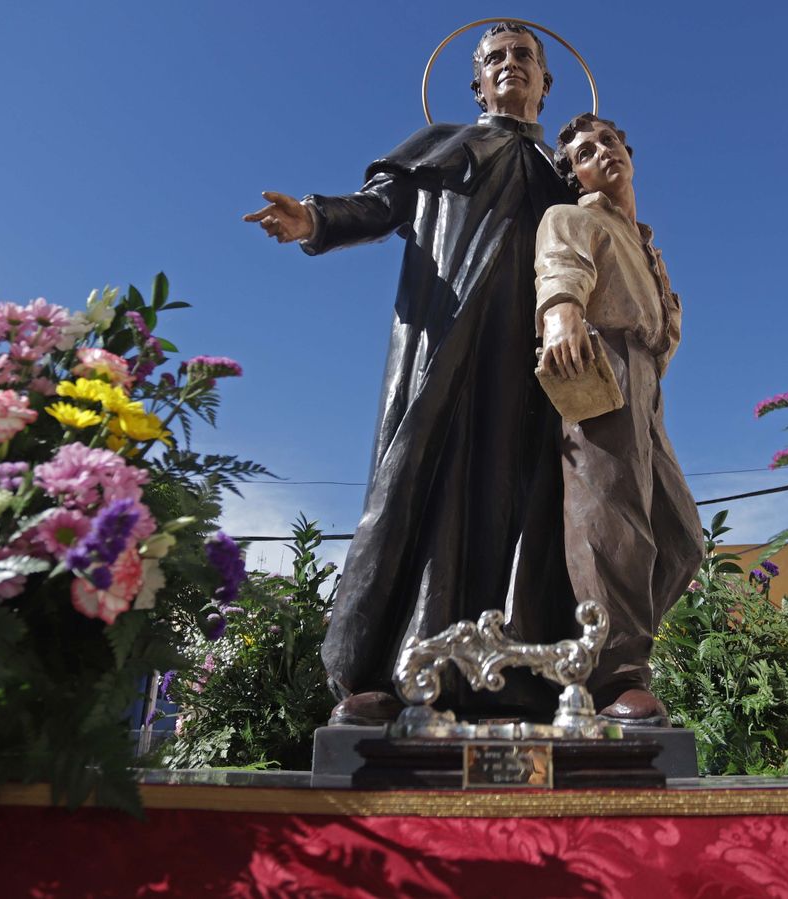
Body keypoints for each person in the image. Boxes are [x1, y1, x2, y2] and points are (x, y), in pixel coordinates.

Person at [244, 23, 578, 725]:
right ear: (477, 84)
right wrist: (314, 219)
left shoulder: (565, 174)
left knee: (531, 497)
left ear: (546, 82)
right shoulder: (444, 147)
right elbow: (379, 206)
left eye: (524, 56)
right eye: (495, 58)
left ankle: (522, 680)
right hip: (449, 335)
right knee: (426, 484)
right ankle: (389, 671)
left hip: (539, 361)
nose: (510, 65)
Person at [534, 113, 705, 726]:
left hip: (646, 379)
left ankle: (586, 644)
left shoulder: (645, 245)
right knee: (608, 515)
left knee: (682, 541)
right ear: (575, 175)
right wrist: (561, 315)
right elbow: (560, 266)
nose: (602, 152)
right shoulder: (572, 217)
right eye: (585, 152)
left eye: (608, 141)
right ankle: (616, 673)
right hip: (598, 358)